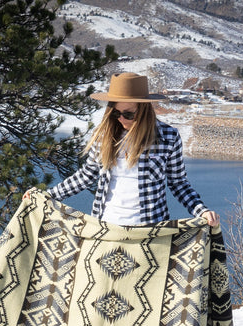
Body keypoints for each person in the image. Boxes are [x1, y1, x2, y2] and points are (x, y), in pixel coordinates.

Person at [30, 72, 220, 227]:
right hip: (105, 227)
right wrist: (47, 196)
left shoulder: (168, 137)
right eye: (115, 113)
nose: (121, 119)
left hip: (150, 231)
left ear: (144, 111)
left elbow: (178, 183)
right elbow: (86, 175)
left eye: (128, 114)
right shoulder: (104, 135)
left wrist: (201, 210)